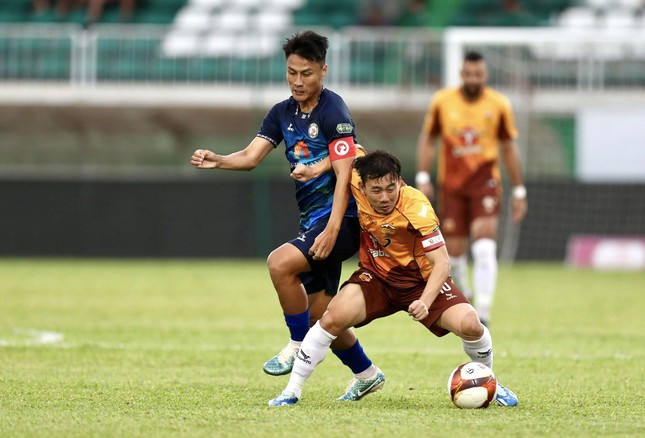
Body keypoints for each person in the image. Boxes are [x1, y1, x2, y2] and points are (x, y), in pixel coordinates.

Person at [190, 31, 381, 395]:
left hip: (343, 219)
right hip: (314, 220)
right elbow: (251, 157)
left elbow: (346, 174)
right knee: (319, 312)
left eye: (306, 73)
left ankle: (296, 345)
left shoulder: (334, 111)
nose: (297, 81)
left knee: (279, 264)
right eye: (291, 72)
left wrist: (332, 230)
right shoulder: (281, 113)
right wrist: (218, 160)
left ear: (323, 71)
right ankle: (366, 374)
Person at [268, 150, 518, 407]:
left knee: (471, 325)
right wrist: (313, 169)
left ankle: (491, 383)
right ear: (362, 187)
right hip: (377, 277)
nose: (385, 197)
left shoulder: (416, 206)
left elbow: (442, 264)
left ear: (399, 181)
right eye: (376, 190)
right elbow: (345, 148)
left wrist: (425, 301)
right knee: (330, 318)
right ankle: (291, 391)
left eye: (391, 188)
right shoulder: (356, 172)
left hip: (420, 282)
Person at [415, 51, 528, 326]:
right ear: (461, 74)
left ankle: (484, 311)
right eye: (468, 74)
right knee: (454, 254)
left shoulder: (499, 104)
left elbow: (509, 147)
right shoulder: (442, 101)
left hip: (485, 183)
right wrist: (423, 176)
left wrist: (519, 190)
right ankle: (466, 294)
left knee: (484, 244)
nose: (473, 79)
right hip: (451, 185)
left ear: (485, 75)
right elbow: (428, 139)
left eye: (478, 74)